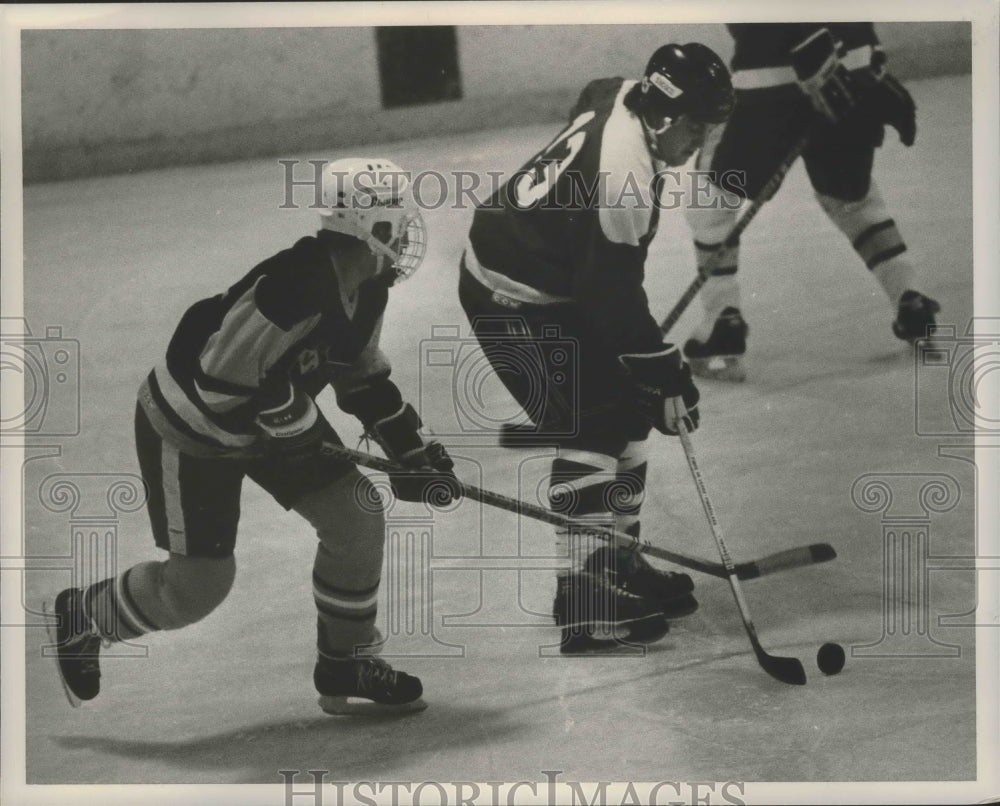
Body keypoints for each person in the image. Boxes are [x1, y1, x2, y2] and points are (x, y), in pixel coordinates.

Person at [46, 158, 458, 714]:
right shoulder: (291, 288)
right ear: (372, 223)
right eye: (399, 219)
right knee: (199, 589)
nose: (407, 232)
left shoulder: (370, 286)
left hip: (270, 422)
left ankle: (346, 662)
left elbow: (358, 374)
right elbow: (219, 387)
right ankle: (86, 616)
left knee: (356, 514)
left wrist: (409, 449)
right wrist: (298, 428)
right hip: (193, 430)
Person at [458, 44, 735, 652]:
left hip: (550, 284)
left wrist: (651, 374)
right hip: (509, 296)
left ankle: (614, 562)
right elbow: (610, 297)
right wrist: (667, 372)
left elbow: (594, 89)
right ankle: (580, 593)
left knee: (626, 410)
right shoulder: (624, 182)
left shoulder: (626, 94)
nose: (699, 141)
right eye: (695, 126)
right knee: (591, 421)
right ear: (662, 117)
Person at [681, 23, 940, 381]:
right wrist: (868, 59)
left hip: (772, 75)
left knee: (708, 196)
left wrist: (812, 46)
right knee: (854, 201)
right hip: (853, 69)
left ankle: (721, 321)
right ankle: (910, 298)